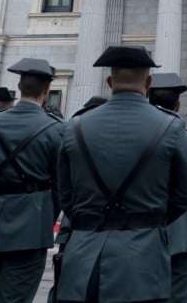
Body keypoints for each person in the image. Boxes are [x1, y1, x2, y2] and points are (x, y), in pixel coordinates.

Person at [55, 45, 187, 303]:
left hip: (83, 257)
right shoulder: (170, 126)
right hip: (144, 257)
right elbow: (185, 194)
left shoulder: (74, 126)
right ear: (148, 83)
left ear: (109, 82)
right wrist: (151, 219)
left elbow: (64, 194)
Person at [0, 58, 65, 303]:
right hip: (30, 224)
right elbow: (62, 187)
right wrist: (45, 214)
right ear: (47, 90)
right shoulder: (57, 129)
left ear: (19, 86)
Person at [148, 73, 187, 303]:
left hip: (137, 235)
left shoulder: (132, 135)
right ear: (178, 105)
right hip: (180, 235)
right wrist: (183, 219)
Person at [47, 97, 106, 303]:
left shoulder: (73, 131)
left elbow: (62, 187)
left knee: (66, 282)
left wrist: (71, 213)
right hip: (111, 227)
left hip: (75, 222)